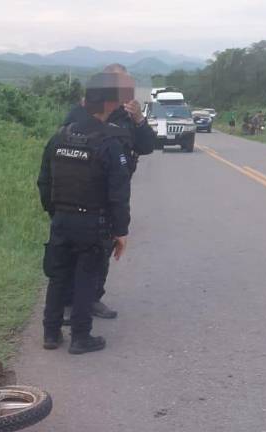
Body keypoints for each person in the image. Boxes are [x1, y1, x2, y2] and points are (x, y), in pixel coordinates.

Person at [37, 70, 132, 354]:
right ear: (110, 104)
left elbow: (44, 181)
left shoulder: (59, 137)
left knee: (58, 276)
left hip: (62, 220)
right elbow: (118, 192)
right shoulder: (109, 142)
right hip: (92, 222)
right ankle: (81, 337)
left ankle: (51, 334)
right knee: (86, 278)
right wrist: (121, 230)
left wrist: (55, 213)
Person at [60, 64, 154, 322]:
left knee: (104, 247)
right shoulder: (83, 109)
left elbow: (147, 146)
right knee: (73, 249)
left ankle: (92, 299)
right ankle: (70, 301)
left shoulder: (129, 114)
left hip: (113, 189)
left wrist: (139, 119)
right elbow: (62, 138)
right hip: (80, 188)